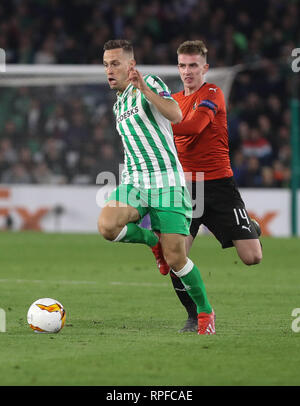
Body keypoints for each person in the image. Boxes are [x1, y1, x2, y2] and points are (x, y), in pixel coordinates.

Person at [98, 39, 215, 335]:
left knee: (176, 258)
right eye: (106, 65)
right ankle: (152, 242)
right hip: (136, 181)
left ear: (131, 65)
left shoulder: (149, 82)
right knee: (107, 225)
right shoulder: (118, 104)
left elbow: (176, 115)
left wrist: (145, 90)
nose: (109, 70)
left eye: (115, 64)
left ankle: (204, 312)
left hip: (167, 182)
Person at [154, 40, 263, 332]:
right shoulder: (173, 101)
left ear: (205, 67)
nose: (187, 71)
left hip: (219, 186)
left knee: (252, 258)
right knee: (175, 257)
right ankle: (194, 315)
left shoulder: (213, 93)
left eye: (193, 65)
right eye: (182, 65)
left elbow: (193, 127)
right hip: (185, 189)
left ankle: (250, 228)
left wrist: (160, 123)